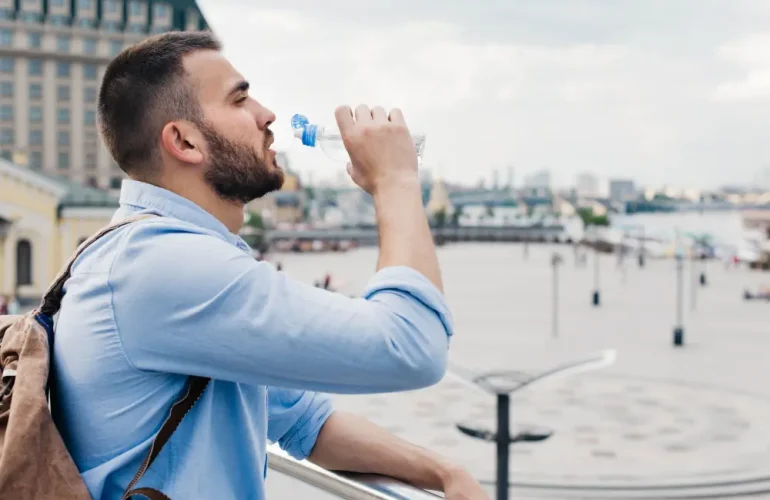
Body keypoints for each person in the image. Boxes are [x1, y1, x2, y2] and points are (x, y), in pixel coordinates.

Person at [51, 31, 487, 500]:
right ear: (184, 140)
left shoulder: (153, 254)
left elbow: (303, 420)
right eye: (240, 100)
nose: (267, 114)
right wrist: (397, 181)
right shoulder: (162, 266)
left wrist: (443, 472)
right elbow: (412, 346)